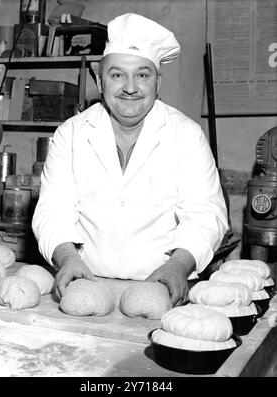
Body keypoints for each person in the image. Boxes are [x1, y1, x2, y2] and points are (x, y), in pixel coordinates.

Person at [32, 13, 228, 306]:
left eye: (142, 75)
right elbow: (52, 211)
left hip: (162, 288)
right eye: (117, 74)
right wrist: (67, 258)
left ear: (157, 82)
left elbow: (205, 215)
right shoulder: (70, 134)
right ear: (100, 81)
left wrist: (178, 266)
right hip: (85, 284)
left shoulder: (186, 134)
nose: (130, 87)